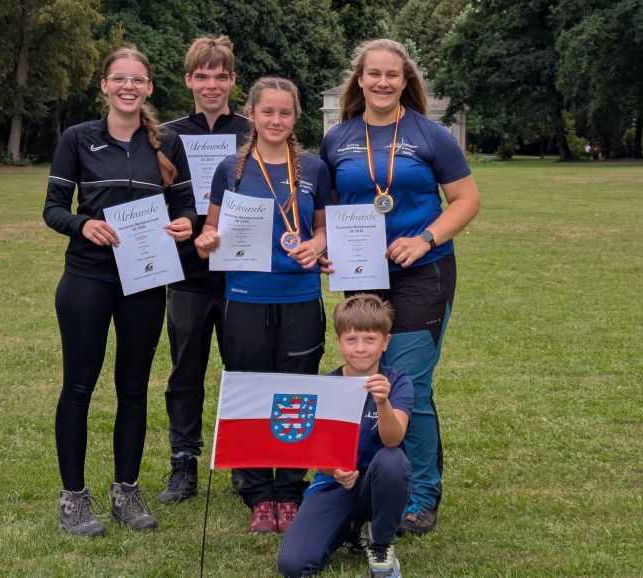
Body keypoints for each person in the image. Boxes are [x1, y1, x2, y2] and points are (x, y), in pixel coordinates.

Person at [319, 38, 480, 536]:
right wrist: (326, 245)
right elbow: (327, 207)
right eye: (374, 74)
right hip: (361, 275)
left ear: (406, 81)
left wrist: (425, 238)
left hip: (422, 272)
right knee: (366, 381)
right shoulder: (338, 138)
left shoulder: (431, 135)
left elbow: (466, 199)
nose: (383, 82)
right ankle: (373, 480)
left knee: (410, 383)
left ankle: (423, 494)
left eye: (393, 75)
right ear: (360, 80)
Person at [43, 47, 196, 537]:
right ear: (105, 85)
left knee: (133, 388)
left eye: (138, 79)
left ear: (149, 87)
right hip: (88, 278)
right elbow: (52, 208)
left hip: (146, 278)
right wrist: (83, 224)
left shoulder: (167, 142)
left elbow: (189, 206)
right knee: (79, 386)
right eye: (119, 78)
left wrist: (185, 224)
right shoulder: (78, 139)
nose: (128, 86)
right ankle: (74, 499)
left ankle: (126, 493)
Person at [195, 77, 332, 534]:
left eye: (285, 113)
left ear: (296, 117)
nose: (276, 120)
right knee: (252, 394)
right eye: (267, 112)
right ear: (251, 113)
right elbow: (209, 232)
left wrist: (316, 245)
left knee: (296, 396)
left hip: (300, 297)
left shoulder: (313, 166)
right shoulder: (230, 168)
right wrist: (207, 238)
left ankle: (290, 493)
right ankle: (257, 493)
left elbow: (322, 229)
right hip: (245, 297)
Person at [158, 34, 251, 506]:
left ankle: (241, 463)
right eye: (202, 76)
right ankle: (183, 464)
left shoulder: (256, 130)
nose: (211, 85)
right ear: (188, 79)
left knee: (242, 369)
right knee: (185, 371)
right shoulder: (167, 134)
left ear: (233, 79)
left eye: (220, 76)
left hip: (244, 272)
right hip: (189, 273)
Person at [277, 294, 413, 578]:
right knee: (292, 565)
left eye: (370, 339)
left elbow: (393, 439)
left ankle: (381, 543)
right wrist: (334, 470)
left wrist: (382, 402)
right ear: (339, 342)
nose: (360, 349)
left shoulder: (398, 382)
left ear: (385, 342)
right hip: (335, 484)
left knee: (392, 460)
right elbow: (314, 453)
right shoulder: (325, 386)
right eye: (351, 340)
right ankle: (348, 527)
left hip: (379, 484)